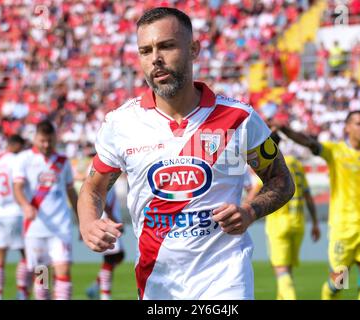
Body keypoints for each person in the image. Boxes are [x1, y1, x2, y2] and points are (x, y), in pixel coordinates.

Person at [78, 7, 295, 300]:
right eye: (145, 50)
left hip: (226, 280)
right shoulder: (121, 124)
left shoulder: (239, 118)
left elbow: (281, 181)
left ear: (193, 49)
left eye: (166, 46)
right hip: (158, 284)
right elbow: (93, 189)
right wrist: (89, 222)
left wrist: (250, 211)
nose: (155, 58)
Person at [278, 110, 360, 300]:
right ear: (347, 128)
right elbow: (310, 143)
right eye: (358, 124)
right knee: (340, 281)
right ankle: (328, 294)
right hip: (343, 229)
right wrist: (286, 130)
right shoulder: (335, 151)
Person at [12, 120, 79, 300]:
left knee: (63, 271)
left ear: (55, 138)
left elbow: (71, 191)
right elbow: (17, 188)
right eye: (42, 140)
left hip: (60, 228)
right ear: (35, 138)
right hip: (35, 229)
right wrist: (26, 206)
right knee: (42, 277)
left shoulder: (63, 161)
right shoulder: (24, 159)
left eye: (50, 141)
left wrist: (82, 221)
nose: (46, 145)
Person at [263, 133, 320, 300]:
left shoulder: (268, 164)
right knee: (287, 271)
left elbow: (255, 193)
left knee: (281, 270)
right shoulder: (296, 163)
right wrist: (315, 222)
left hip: (278, 224)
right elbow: (308, 195)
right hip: (298, 223)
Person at [0, 134, 32, 300]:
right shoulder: (19, 160)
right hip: (18, 212)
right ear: (16, 145)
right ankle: (24, 292)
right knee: (30, 256)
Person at [83, 155, 125, 301]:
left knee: (117, 256)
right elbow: (97, 193)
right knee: (111, 257)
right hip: (106, 218)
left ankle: (95, 287)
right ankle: (104, 295)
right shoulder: (97, 168)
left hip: (109, 216)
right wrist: (113, 217)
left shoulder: (104, 165)